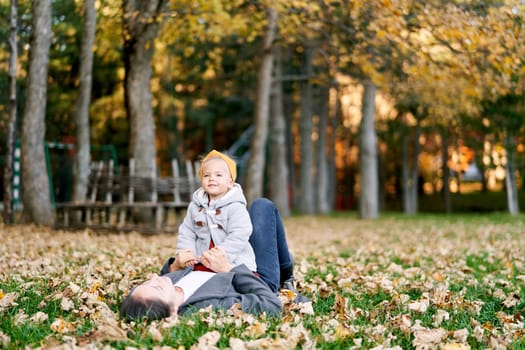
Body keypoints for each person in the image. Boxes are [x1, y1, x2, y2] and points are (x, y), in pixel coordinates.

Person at [120, 198, 305, 321]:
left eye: (148, 281)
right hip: (255, 277)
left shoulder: (165, 285)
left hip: (220, 257)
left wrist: (175, 265)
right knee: (262, 207)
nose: (154, 277)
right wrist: (228, 269)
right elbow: (271, 305)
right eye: (157, 287)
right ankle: (286, 274)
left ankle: (284, 262)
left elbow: (162, 276)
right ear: (174, 311)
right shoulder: (207, 307)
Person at [176, 150, 257, 273]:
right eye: (206, 175)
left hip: (232, 262)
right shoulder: (195, 206)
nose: (211, 179)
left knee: (234, 283)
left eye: (218, 175)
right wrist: (187, 251)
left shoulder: (235, 206)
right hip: (201, 260)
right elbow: (187, 231)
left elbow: (240, 233)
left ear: (230, 182)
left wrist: (221, 254)